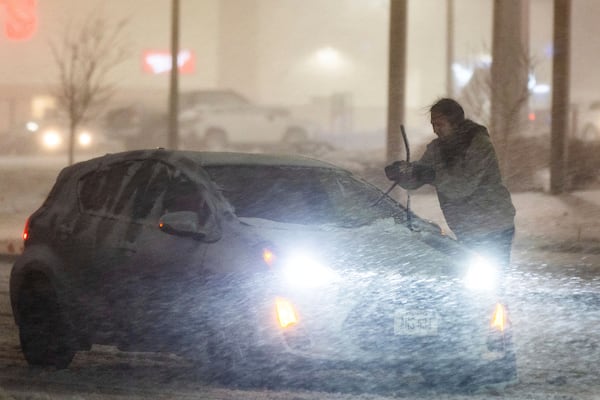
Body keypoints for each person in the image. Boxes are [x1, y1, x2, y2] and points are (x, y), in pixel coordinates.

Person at [385, 98, 516, 270]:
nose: (435, 129)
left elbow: (462, 186)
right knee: (470, 280)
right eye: (433, 124)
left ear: (455, 123)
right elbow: (421, 175)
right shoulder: (437, 149)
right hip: (467, 229)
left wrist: (431, 174)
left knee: (490, 280)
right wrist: (403, 173)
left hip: (493, 227)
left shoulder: (478, 144)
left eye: (440, 124)